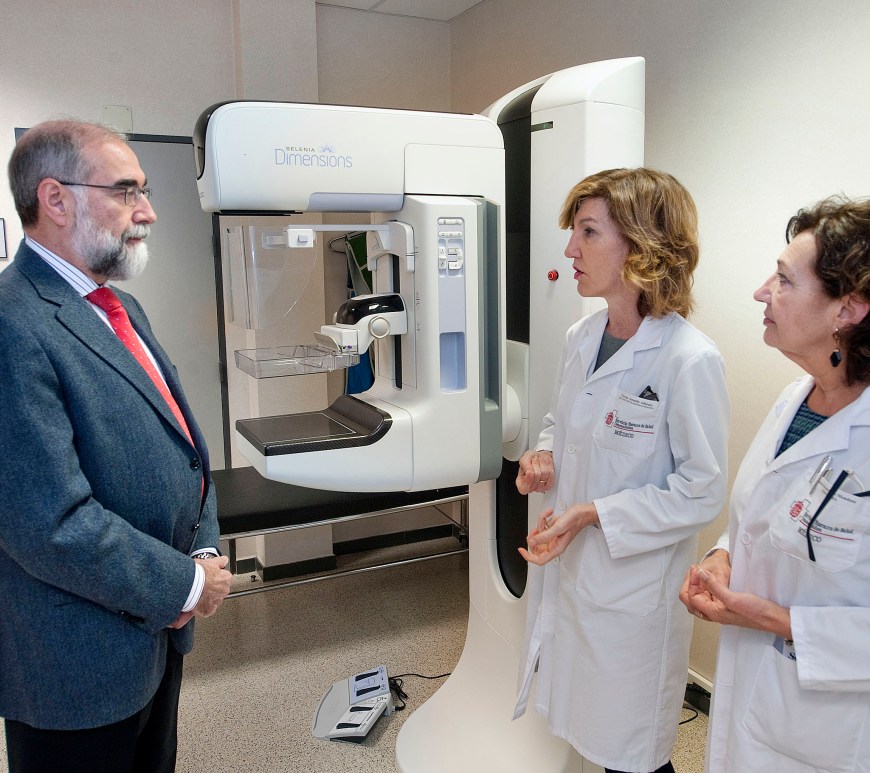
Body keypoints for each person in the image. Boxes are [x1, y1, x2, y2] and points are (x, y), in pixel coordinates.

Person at [0, 120, 233, 773]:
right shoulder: (12, 323)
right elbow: (50, 524)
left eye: (144, 191)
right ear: (56, 199)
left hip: (154, 635)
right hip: (77, 666)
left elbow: (182, 445)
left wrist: (203, 548)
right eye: (126, 190)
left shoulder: (119, 308)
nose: (148, 211)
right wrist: (187, 583)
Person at [512, 168, 730, 773]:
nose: (570, 250)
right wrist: (543, 456)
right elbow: (561, 421)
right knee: (591, 731)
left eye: (588, 232)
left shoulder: (688, 359)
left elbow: (702, 490)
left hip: (632, 590)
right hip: (576, 572)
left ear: (641, 246)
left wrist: (594, 513)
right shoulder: (582, 336)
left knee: (632, 754)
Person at [681, 196, 870, 772]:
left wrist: (776, 621)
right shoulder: (797, 399)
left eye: (785, 280)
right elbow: (764, 520)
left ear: (848, 309)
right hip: (755, 697)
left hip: (830, 728)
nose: (761, 292)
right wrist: (721, 556)